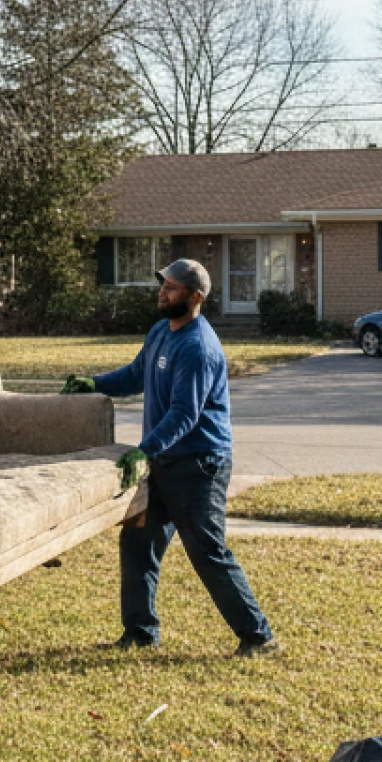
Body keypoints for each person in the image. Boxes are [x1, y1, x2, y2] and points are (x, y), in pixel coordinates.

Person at [62, 258, 280, 657]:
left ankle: (258, 637)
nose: (162, 292)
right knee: (138, 542)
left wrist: (144, 449)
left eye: (172, 288)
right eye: (162, 285)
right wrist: (94, 384)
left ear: (195, 297)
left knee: (207, 551)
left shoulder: (199, 347)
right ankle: (141, 633)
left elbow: (185, 415)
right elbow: (135, 374)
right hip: (163, 460)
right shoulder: (162, 331)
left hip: (199, 465)